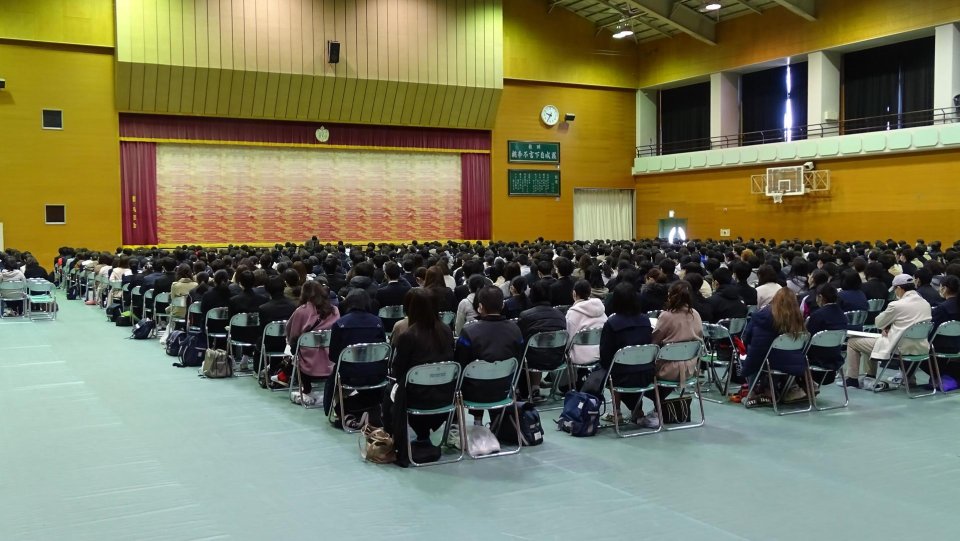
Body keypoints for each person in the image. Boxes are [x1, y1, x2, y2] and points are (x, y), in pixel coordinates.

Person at [382, 288, 455, 467]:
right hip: (446, 396)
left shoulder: (408, 335)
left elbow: (398, 371)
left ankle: (392, 438)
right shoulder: (446, 330)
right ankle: (423, 435)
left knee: (390, 391)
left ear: (410, 309)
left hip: (416, 397)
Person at [845, 274, 932, 390]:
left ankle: (852, 380)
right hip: (921, 347)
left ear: (899, 288)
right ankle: (907, 379)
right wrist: (891, 326)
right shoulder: (926, 304)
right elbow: (912, 324)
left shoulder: (896, 305)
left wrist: (888, 325)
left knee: (853, 342)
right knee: (872, 341)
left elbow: (878, 323)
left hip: (898, 348)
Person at [454, 286, 524, 424]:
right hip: (505, 389)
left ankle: (477, 421)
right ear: (503, 305)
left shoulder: (469, 331)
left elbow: (460, 363)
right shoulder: (515, 329)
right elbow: (519, 358)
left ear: (480, 307)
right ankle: (497, 421)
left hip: (474, 393)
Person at [323, 290, 387, 422]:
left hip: (350, 375)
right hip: (376, 374)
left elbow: (334, 356)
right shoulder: (378, 322)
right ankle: (370, 407)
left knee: (333, 379)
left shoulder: (340, 324)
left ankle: (341, 409)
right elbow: (383, 350)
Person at [648, 281, 704, 428]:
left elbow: (654, 341)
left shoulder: (666, 316)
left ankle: (651, 409)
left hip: (668, 370)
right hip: (691, 368)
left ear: (670, 295)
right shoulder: (696, 314)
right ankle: (658, 408)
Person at [598, 283, 655, 425]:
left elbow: (605, 355)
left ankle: (616, 411)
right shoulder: (645, 320)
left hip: (620, 376)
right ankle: (637, 410)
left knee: (609, 369)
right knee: (630, 365)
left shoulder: (612, 323)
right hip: (646, 374)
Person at [741, 288, 808, 405]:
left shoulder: (762, 316)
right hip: (794, 361)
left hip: (768, 360)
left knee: (756, 356)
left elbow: (749, 339)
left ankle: (752, 392)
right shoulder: (798, 318)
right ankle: (770, 390)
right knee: (772, 354)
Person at [285, 280, 340, 404]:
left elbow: (292, 334)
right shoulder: (334, 310)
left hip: (308, 364)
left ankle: (306, 388)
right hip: (331, 362)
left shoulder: (301, 311)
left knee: (296, 345)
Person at [517, 281, 567, 401]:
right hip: (557, 359)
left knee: (522, 349)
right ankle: (535, 387)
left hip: (532, 361)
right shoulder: (561, 315)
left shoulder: (525, 315)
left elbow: (519, 339)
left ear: (532, 295)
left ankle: (523, 391)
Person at [805, 285, 848, 385]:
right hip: (835, 357)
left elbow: (808, 338)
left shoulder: (817, 315)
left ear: (820, 297)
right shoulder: (842, 315)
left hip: (816, 359)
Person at [925, 275, 960, 383]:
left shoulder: (941, 308)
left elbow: (930, 329)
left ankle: (908, 379)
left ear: (944, 288)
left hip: (940, 347)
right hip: (957, 345)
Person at [565, 279, 608, 367]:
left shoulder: (573, 313)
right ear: (589, 292)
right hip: (601, 352)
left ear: (574, 293)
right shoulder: (600, 309)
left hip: (580, 356)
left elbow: (567, 340)